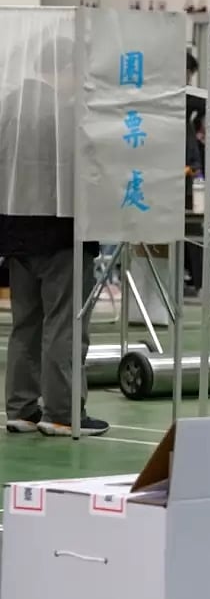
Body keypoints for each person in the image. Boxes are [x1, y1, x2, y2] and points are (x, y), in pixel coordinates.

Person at [0, 38, 108, 437]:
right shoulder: (65, 114)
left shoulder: (10, 105)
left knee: (25, 325)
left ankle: (21, 408)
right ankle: (62, 412)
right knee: (65, 323)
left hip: (15, 235)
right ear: (64, 70)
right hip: (61, 234)